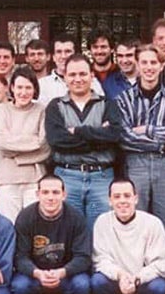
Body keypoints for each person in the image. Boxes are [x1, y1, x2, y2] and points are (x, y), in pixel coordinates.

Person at [116, 44, 165, 239]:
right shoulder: (124, 99)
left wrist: (147, 130)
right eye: (144, 62)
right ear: (137, 65)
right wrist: (162, 142)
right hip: (136, 163)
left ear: (161, 65)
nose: (149, 67)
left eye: (153, 62)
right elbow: (124, 137)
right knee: (134, 220)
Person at [45, 54, 122, 230]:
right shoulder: (55, 106)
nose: (77, 79)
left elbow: (114, 136)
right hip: (67, 176)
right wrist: (98, 135)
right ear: (64, 77)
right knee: (67, 232)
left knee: (101, 232)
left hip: (101, 177)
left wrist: (79, 132)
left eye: (82, 74)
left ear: (91, 76)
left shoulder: (108, 104)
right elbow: (57, 141)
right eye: (72, 75)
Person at [12, 175, 91, 294]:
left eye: (55, 192)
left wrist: (62, 272)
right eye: (45, 192)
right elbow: (20, 257)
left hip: (66, 274)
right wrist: (38, 273)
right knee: (19, 285)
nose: (50, 197)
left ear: (64, 194)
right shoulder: (25, 217)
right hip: (35, 275)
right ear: (37, 194)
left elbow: (83, 257)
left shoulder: (76, 218)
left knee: (82, 284)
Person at [91, 179, 165, 294]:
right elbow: (100, 260)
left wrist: (137, 279)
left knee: (160, 286)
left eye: (127, 196)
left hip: (143, 283)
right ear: (110, 200)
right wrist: (120, 275)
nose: (122, 201)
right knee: (97, 281)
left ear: (136, 198)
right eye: (117, 196)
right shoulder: (102, 222)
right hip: (116, 282)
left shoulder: (152, 223)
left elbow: (161, 263)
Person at [0, 66, 50, 223]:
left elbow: (44, 146)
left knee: (33, 227)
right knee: (10, 226)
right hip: (6, 179)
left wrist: (16, 155)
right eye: (19, 87)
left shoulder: (42, 110)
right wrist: (32, 141)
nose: (23, 92)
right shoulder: (0, 110)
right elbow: (1, 144)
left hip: (34, 179)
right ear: (11, 88)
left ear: (34, 89)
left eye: (28, 87)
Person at [39, 34, 104, 105]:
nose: (63, 56)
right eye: (59, 52)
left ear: (76, 54)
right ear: (53, 57)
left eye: (67, 51)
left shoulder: (92, 82)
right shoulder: (42, 85)